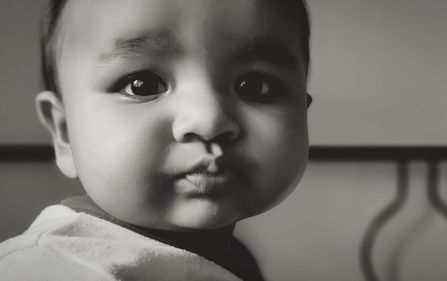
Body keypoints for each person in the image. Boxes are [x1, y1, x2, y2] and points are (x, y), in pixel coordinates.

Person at [0, 0, 312, 280]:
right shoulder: (51, 267)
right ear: (64, 131)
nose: (208, 120)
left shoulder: (233, 257)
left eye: (255, 85)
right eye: (142, 85)